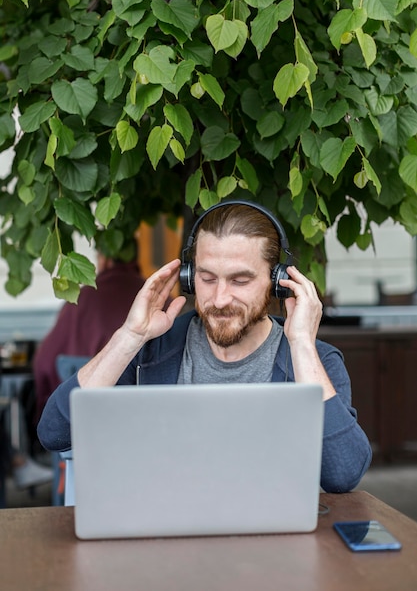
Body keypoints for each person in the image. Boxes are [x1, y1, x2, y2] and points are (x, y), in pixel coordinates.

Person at [37, 201, 372, 493]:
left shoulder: (314, 361)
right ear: (188, 278)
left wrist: (301, 344)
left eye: (240, 280)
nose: (220, 298)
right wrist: (129, 336)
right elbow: (55, 433)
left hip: (269, 551)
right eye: (207, 278)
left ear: (277, 283)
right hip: (163, 541)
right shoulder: (152, 351)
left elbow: (343, 474)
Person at [33, 245, 149, 419]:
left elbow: (44, 363)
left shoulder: (83, 298)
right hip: (142, 412)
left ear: (104, 260)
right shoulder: (154, 297)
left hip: (83, 415)